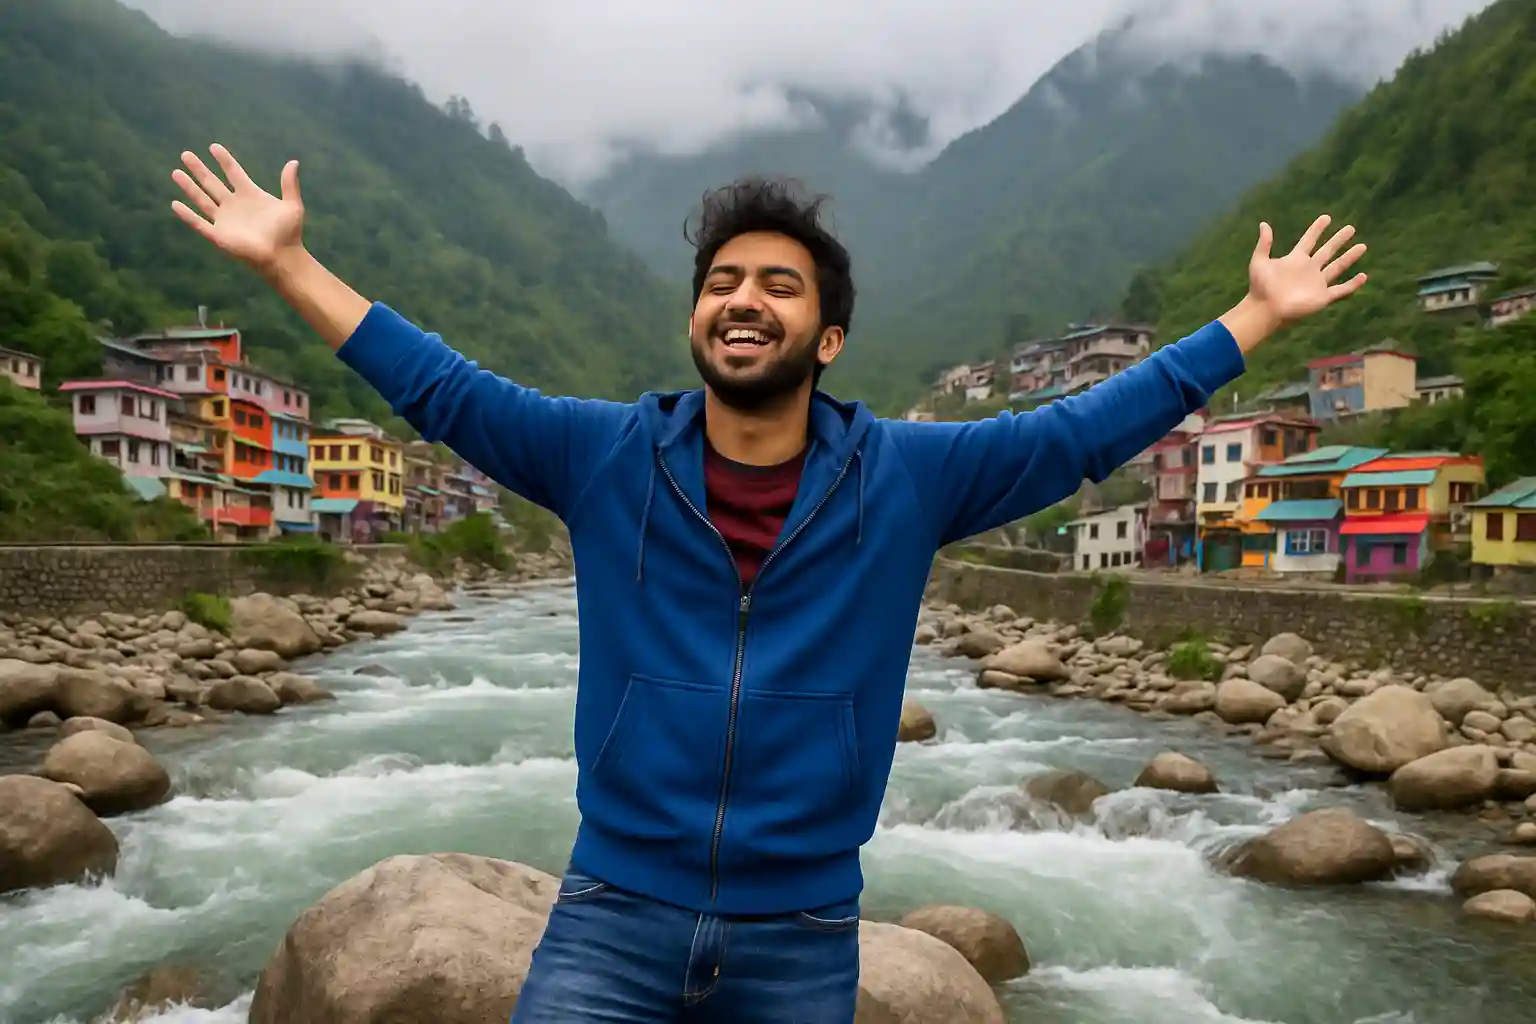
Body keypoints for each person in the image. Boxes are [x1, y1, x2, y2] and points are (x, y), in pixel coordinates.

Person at [169, 143, 1366, 1022]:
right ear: (698, 317)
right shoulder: (604, 457)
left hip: (800, 937)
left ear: (827, 337)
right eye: (723, 281)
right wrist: (289, 264)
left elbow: (1083, 432)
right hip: (610, 917)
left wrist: (1249, 321)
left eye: (779, 285)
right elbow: (438, 384)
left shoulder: (911, 475)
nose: (744, 297)